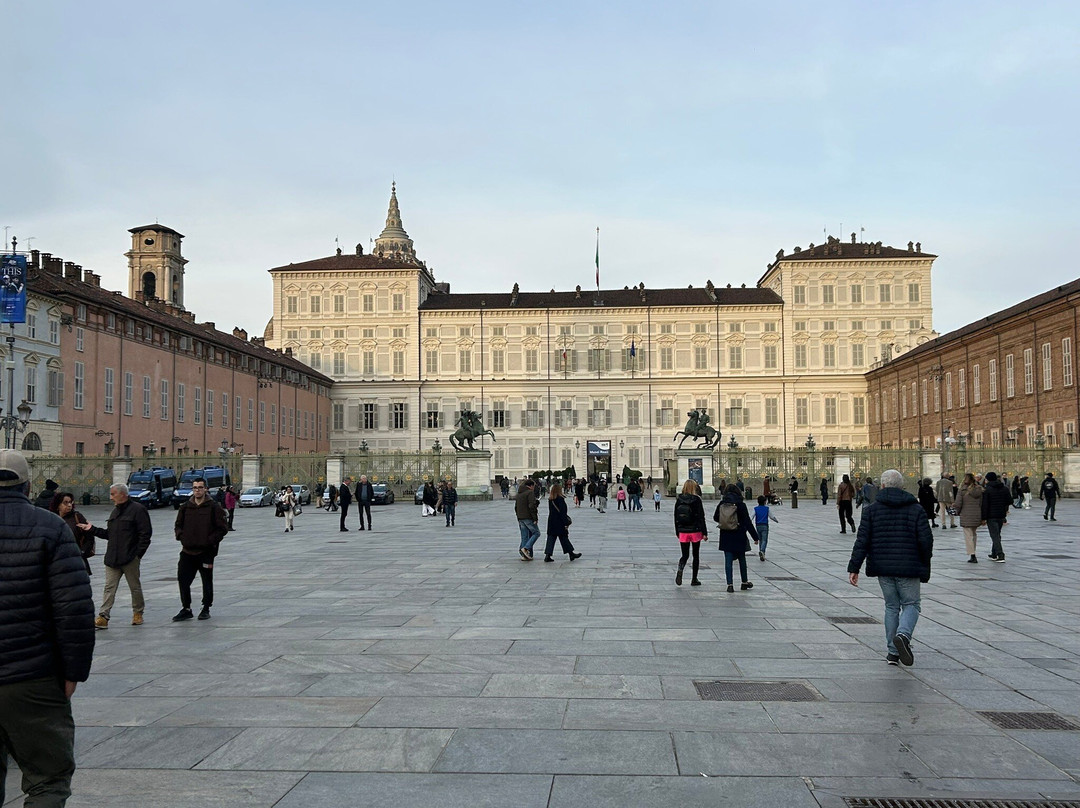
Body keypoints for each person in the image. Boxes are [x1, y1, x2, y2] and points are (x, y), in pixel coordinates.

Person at [0, 449, 95, 808]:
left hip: (29, 674)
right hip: (33, 677)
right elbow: (73, 610)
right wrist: (74, 672)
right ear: (27, 486)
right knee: (48, 781)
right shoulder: (50, 527)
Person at [847, 468, 933, 666]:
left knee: (891, 606)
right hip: (909, 567)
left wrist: (854, 567)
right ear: (902, 486)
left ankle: (893, 653)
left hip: (883, 566)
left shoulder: (872, 510)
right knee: (911, 604)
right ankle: (903, 636)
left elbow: (862, 541)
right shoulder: (916, 509)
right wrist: (924, 562)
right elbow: (926, 541)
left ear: (882, 486)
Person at [86, 483, 152, 629]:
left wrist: (138, 555)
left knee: (134, 587)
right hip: (112, 558)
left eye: (113, 494)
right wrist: (92, 529)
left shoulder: (138, 510)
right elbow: (110, 534)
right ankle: (103, 616)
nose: (111, 497)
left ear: (122, 494)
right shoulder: (115, 512)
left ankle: (138, 613)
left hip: (130, 557)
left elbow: (145, 534)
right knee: (109, 588)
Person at [172, 477, 229, 621]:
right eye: (195, 488)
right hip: (187, 551)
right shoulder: (185, 507)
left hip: (206, 552)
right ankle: (186, 608)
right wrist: (181, 536)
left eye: (200, 487)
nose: (197, 490)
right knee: (183, 579)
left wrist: (210, 541)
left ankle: (206, 607)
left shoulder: (213, 507)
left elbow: (222, 528)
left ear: (206, 489)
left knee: (206, 580)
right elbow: (178, 525)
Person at [714, 483, 759, 592]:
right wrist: (755, 537)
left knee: (728, 560)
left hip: (726, 534)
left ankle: (730, 584)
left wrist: (726, 520)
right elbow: (748, 522)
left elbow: (716, 517)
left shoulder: (722, 503)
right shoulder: (740, 504)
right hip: (739, 534)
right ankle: (744, 582)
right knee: (742, 559)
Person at [50, 491, 96, 578]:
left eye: (70, 502)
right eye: (65, 502)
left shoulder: (77, 517)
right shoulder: (51, 518)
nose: (69, 505)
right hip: (57, 562)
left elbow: (89, 537)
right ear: (58, 505)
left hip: (76, 560)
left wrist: (82, 552)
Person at [672, 480, 707, 586]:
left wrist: (677, 531)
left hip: (683, 530)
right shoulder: (697, 500)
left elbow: (675, 516)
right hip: (695, 530)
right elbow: (701, 516)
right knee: (695, 555)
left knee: (684, 555)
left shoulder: (679, 499)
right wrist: (704, 532)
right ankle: (694, 579)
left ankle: (680, 569)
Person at [543, 482, 580, 562]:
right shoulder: (560, 499)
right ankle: (571, 554)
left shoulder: (551, 500)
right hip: (559, 522)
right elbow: (562, 513)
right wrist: (566, 523)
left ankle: (548, 555)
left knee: (551, 538)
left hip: (552, 521)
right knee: (564, 538)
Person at [953, 472, 984, 563]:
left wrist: (957, 512)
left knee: (968, 535)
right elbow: (981, 503)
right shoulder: (979, 489)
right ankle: (973, 551)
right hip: (977, 514)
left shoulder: (962, 490)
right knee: (973, 534)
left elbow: (958, 503)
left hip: (966, 514)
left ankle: (972, 554)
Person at [981, 471, 1011, 563]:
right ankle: (994, 553)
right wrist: (1004, 508)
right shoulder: (1004, 488)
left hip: (991, 515)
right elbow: (1009, 500)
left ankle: (1000, 554)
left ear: (987, 479)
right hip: (1001, 515)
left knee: (995, 535)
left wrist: (983, 518)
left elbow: (985, 505)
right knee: (997, 534)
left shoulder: (987, 490)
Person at [516, 478, 541, 560]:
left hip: (520, 517)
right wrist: (535, 518)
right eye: (533, 487)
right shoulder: (529, 493)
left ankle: (524, 554)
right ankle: (526, 548)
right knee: (536, 533)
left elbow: (516, 507)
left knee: (524, 536)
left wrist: (518, 516)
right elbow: (531, 506)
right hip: (528, 517)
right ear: (530, 486)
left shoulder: (519, 493)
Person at [754, 494, 779, 561]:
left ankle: (761, 552)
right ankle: (762, 551)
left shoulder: (755, 509)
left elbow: (751, 516)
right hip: (765, 525)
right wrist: (776, 520)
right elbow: (771, 516)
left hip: (758, 525)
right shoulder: (766, 509)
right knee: (764, 540)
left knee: (760, 540)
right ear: (765, 502)